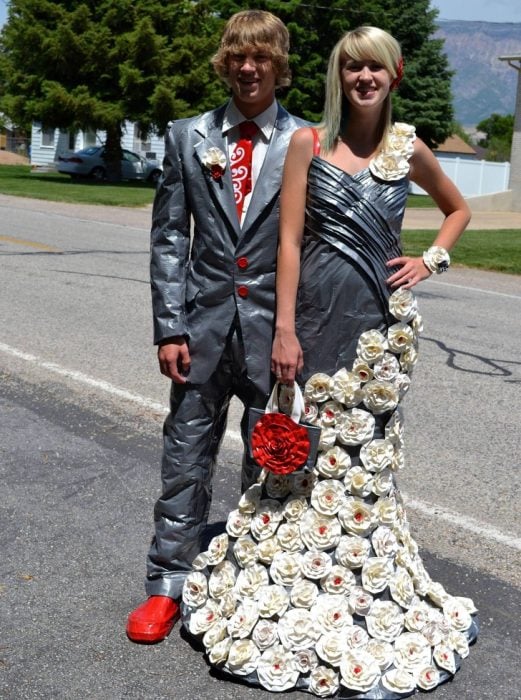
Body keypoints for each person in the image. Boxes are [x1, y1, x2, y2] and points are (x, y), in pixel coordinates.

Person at [180, 26, 478, 698]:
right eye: (351, 69)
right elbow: (286, 243)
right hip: (312, 330)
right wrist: (282, 330)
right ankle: (292, 583)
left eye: (374, 68)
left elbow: (455, 210)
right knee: (300, 460)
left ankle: (360, 583)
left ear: (393, 76)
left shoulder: (409, 150)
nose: (363, 79)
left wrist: (429, 259)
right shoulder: (305, 145)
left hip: (381, 339)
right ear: (337, 79)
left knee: (366, 471)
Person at [126, 10, 306, 644]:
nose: (248, 67)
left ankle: (255, 586)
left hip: (274, 335)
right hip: (199, 330)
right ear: (225, 63)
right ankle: (166, 585)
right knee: (184, 458)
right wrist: (169, 326)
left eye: (260, 57)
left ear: (279, 66)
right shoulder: (188, 136)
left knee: (270, 463)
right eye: (237, 56)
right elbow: (170, 236)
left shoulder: (306, 141)